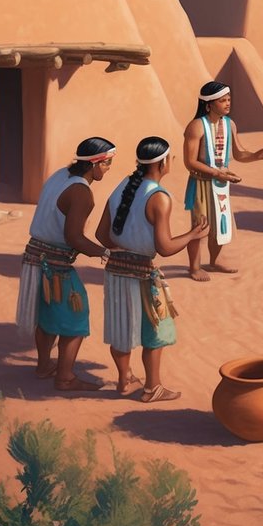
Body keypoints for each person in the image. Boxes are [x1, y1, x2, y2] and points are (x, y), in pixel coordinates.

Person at [96, 137, 208, 402]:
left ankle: (125, 381)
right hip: (143, 274)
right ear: (162, 163)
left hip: (115, 270)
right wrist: (193, 234)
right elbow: (165, 247)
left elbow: (102, 233)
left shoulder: (123, 185)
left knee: (121, 327)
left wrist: (125, 248)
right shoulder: (159, 198)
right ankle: (152, 387)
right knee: (155, 329)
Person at [15, 137, 117, 391]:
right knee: (76, 317)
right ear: (95, 163)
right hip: (55, 266)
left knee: (48, 317)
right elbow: (74, 238)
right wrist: (105, 252)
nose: (108, 169)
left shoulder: (60, 175)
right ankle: (65, 377)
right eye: (107, 164)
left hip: (35, 258)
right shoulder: (82, 192)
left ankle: (43, 366)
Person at [183, 81, 263, 275]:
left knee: (220, 227)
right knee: (200, 227)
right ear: (209, 104)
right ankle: (194, 267)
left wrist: (257, 155)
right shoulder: (196, 126)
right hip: (201, 183)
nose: (227, 103)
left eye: (229, 99)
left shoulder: (229, 124)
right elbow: (190, 162)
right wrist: (217, 173)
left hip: (221, 184)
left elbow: (240, 153)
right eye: (222, 100)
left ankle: (213, 262)